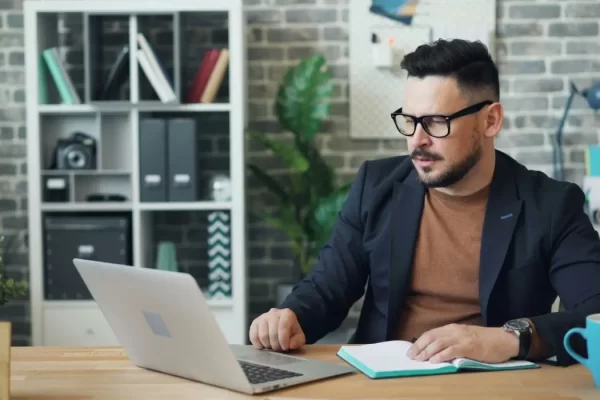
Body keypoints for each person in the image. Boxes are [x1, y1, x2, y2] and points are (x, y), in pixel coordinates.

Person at [248, 38, 600, 367]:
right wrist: (290, 317)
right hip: (379, 383)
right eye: (410, 121)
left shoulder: (551, 205)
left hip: (491, 386)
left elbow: (596, 310)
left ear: (490, 120)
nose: (417, 141)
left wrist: (507, 339)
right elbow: (329, 286)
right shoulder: (376, 185)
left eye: (435, 122)